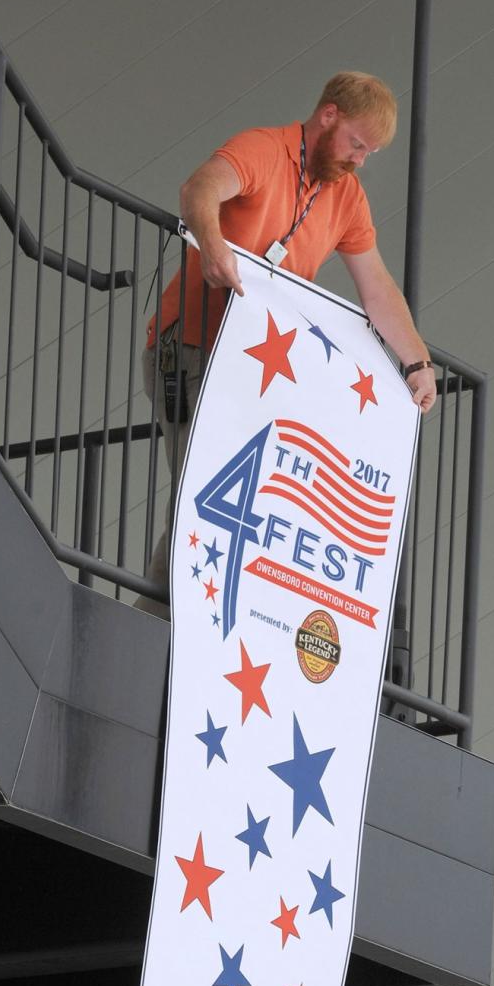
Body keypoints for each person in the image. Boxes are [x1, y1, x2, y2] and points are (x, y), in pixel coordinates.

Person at [138, 72, 437, 616]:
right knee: (204, 498)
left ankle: (172, 624)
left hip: (252, 371)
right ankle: (162, 625)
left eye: (370, 152)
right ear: (328, 117)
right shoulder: (262, 149)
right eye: (357, 144)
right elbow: (198, 191)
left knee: (238, 504)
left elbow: (377, 288)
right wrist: (212, 244)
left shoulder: (347, 197)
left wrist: (416, 360)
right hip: (189, 351)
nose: (361, 160)